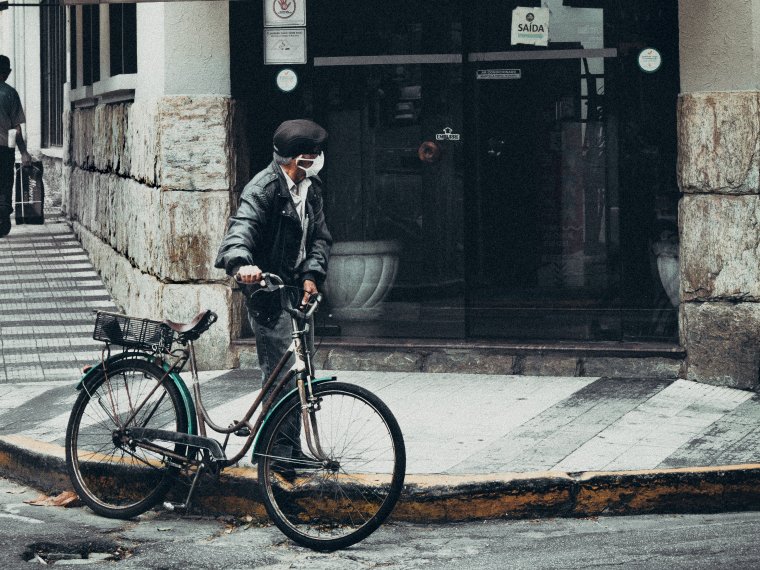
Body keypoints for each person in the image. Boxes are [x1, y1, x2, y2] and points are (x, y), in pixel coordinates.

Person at [215, 118, 332, 393]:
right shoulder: (262, 190)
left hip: (297, 293)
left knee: (305, 380)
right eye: (315, 154)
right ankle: (278, 438)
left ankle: (286, 437)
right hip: (269, 296)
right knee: (285, 384)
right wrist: (242, 264)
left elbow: (320, 238)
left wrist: (311, 275)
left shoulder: (310, 189)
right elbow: (240, 231)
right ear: (300, 159)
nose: (319, 159)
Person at [0, 55, 32, 238]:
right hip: (5, 149)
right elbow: (16, 129)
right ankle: (3, 216)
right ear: (8, 72)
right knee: (4, 183)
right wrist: (24, 152)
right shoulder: (10, 93)